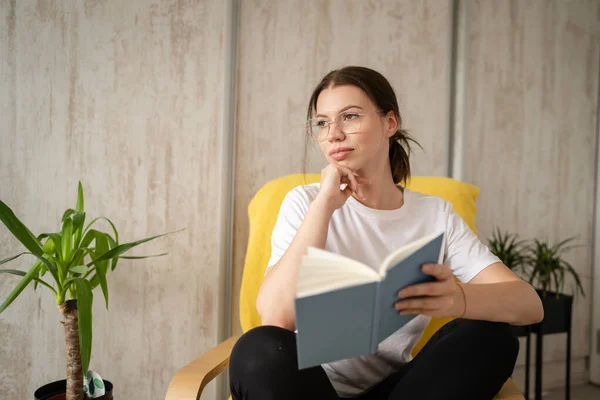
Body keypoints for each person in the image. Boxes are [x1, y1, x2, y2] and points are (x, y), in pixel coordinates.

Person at [229, 66, 544, 400]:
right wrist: (323, 205)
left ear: (389, 123)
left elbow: (530, 305)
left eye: (349, 117)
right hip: (311, 390)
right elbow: (276, 319)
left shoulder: (436, 215)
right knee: (258, 348)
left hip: (397, 392)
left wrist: (458, 298)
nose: (333, 133)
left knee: (492, 336)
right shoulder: (304, 202)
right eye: (322, 122)